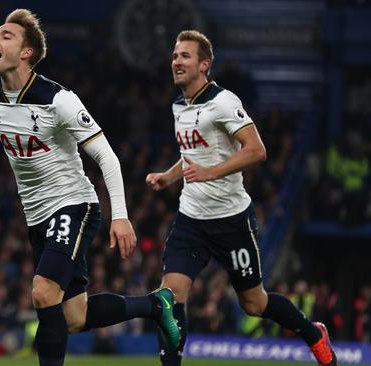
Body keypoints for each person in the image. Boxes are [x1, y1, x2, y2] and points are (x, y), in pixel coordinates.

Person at [0, 9, 179, 366]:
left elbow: (107, 157)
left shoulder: (58, 100)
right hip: (37, 216)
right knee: (74, 317)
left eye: (5, 36)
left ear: (27, 53)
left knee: (43, 294)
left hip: (74, 204)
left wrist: (120, 216)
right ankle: (157, 303)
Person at [145, 30, 338, 366]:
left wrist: (212, 172)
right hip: (191, 218)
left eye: (185, 56)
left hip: (231, 219)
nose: (177, 61)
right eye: (175, 56)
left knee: (254, 303)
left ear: (204, 65)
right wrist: (169, 175)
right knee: (170, 297)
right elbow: (191, 154)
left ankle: (313, 333)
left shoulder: (223, 102)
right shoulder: (179, 105)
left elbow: (257, 151)